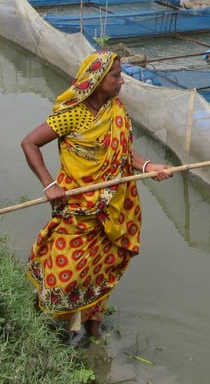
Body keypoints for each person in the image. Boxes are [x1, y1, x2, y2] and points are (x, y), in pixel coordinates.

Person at [21, 51, 172, 342]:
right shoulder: (72, 114)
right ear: (98, 80)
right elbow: (29, 143)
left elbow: (124, 154)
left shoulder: (116, 110)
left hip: (113, 208)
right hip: (77, 208)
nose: (121, 80)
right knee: (63, 272)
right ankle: (40, 328)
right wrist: (49, 184)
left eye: (120, 73)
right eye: (115, 75)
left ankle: (92, 328)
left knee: (102, 270)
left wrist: (149, 167)